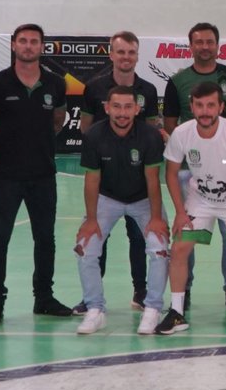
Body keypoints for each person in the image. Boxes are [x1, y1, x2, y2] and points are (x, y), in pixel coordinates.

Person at [0, 23, 70, 325]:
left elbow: (57, 120)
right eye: (23, 41)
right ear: (14, 45)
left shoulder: (55, 83)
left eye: (34, 42)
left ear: (42, 47)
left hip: (43, 175)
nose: (28, 46)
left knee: (45, 239)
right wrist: (1, 146)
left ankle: (43, 298)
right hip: (6, 176)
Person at [163, 22, 226, 312]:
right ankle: (183, 292)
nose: (204, 47)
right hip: (191, 171)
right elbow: (170, 124)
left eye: (209, 42)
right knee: (185, 232)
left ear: (218, 45)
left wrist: (223, 146)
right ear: (190, 46)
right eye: (198, 42)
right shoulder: (178, 81)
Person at [160, 82, 226, 335]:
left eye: (210, 105)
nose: (205, 111)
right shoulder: (182, 133)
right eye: (199, 105)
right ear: (192, 106)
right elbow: (171, 173)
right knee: (180, 246)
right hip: (200, 199)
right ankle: (176, 312)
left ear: (221, 107)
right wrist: (180, 213)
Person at [73, 86, 170, 336]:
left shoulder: (149, 136)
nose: (122, 113)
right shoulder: (94, 135)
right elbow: (91, 180)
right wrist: (91, 219)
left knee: (159, 248)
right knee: (85, 247)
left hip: (143, 199)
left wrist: (157, 218)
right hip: (107, 197)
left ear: (137, 109)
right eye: (116, 107)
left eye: (128, 107)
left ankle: (153, 308)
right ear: (107, 108)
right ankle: (95, 309)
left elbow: (153, 180)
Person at [77, 30, 161, 314]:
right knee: (96, 236)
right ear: (111, 54)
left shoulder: (148, 90)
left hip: (138, 183)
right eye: (121, 52)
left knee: (139, 238)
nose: (126, 57)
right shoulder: (94, 87)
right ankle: (92, 297)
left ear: (137, 56)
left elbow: (150, 133)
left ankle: (141, 290)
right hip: (106, 181)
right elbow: (86, 127)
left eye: (131, 52)